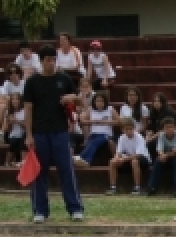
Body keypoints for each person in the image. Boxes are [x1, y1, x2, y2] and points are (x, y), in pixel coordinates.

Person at [22, 44, 84, 223]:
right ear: (41, 62)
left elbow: (80, 101)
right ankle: (40, 210)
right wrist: (28, 134)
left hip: (60, 131)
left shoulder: (63, 79)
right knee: (39, 173)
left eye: (53, 59)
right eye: (48, 60)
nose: (51, 63)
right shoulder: (32, 82)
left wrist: (72, 98)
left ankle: (75, 208)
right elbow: (28, 109)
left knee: (66, 170)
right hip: (40, 133)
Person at [107, 118, 150, 195]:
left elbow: (138, 155)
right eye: (127, 129)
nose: (129, 131)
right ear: (123, 130)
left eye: (131, 129)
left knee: (134, 161)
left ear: (134, 128)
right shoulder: (122, 137)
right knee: (112, 162)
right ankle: (113, 187)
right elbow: (118, 152)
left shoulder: (139, 137)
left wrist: (124, 159)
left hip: (143, 159)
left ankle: (137, 188)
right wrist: (116, 158)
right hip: (128, 159)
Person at [74, 93, 119, 168]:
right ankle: (84, 161)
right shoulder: (91, 109)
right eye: (97, 101)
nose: (99, 103)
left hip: (106, 135)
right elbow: (82, 120)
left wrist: (106, 122)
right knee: (91, 142)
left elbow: (119, 121)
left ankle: (83, 158)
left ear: (105, 102)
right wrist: (93, 122)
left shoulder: (110, 109)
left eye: (101, 101)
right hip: (93, 134)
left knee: (94, 142)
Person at [147, 117, 176, 197]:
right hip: (166, 158)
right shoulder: (161, 135)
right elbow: (159, 149)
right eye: (167, 127)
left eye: (171, 127)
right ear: (163, 129)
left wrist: (165, 155)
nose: (169, 129)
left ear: (175, 127)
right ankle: (152, 187)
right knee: (158, 161)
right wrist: (162, 155)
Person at [146, 92, 176, 158]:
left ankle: (156, 161)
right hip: (157, 135)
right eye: (154, 101)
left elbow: (166, 130)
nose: (156, 103)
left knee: (152, 143)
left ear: (163, 102)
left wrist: (152, 138)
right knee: (147, 142)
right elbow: (150, 127)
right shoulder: (153, 112)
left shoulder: (169, 112)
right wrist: (148, 136)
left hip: (170, 135)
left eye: (159, 101)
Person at [3, 93, 26, 166]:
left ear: (20, 101)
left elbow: (27, 126)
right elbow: (7, 130)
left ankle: (21, 161)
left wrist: (17, 121)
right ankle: (8, 162)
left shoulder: (24, 111)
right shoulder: (9, 112)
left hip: (23, 135)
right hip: (12, 136)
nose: (15, 101)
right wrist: (9, 123)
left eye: (17, 99)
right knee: (14, 141)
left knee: (22, 139)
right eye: (13, 99)